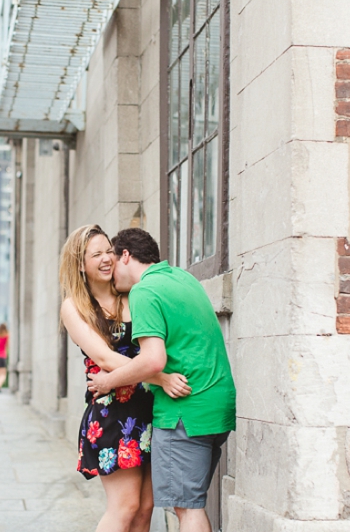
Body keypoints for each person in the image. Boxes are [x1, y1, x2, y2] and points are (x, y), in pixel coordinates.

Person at [87, 228, 236, 532]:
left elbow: (153, 359)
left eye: (113, 261)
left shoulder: (145, 290)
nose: (112, 273)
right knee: (190, 502)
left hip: (185, 412)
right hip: (216, 404)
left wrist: (108, 382)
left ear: (125, 255)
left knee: (188, 508)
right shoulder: (183, 278)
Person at [59, 225, 191, 532]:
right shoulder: (75, 307)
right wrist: (161, 378)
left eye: (109, 251)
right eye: (97, 254)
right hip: (113, 412)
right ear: (81, 263)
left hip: (147, 409)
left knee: (145, 509)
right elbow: (104, 358)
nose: (107, 259)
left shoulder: (132, 294)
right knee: (125, 506)